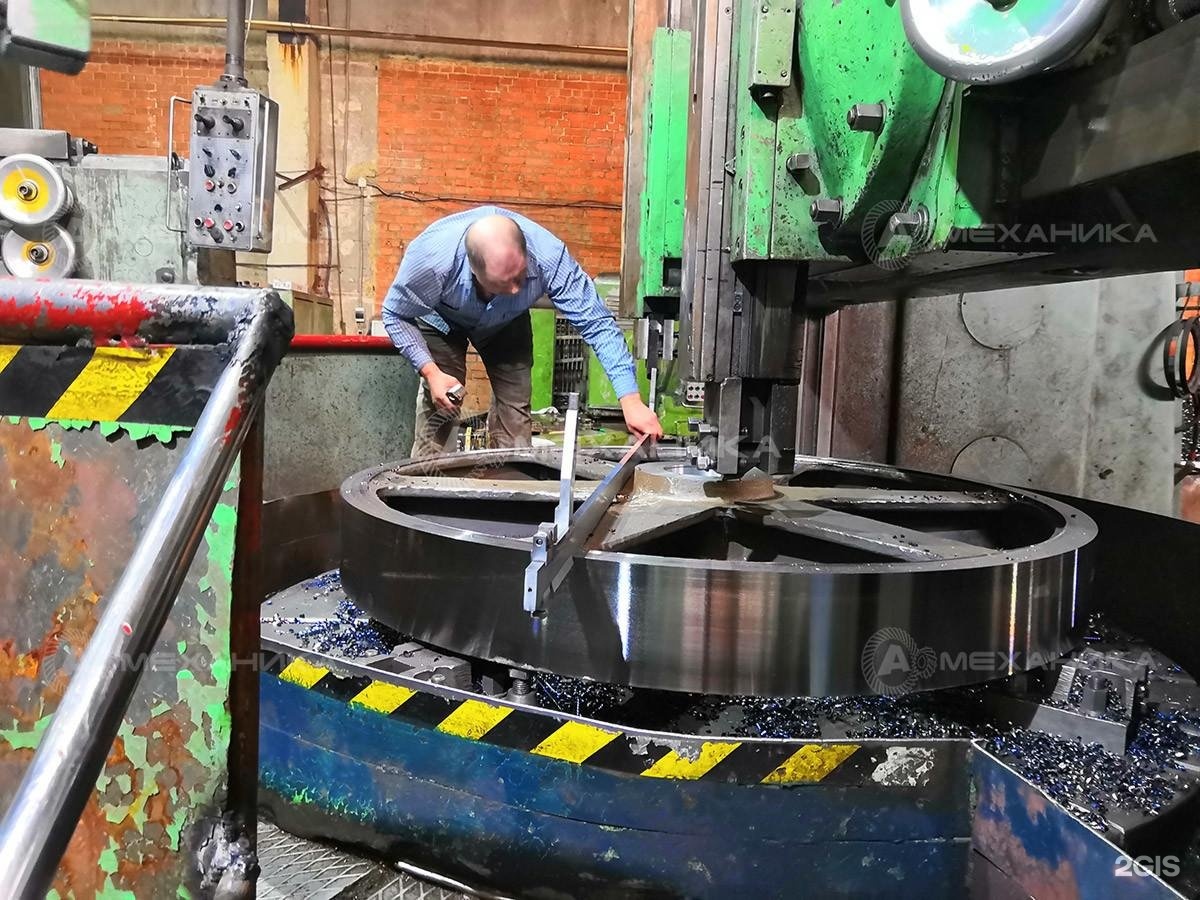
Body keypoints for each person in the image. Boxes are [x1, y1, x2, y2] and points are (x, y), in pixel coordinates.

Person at [382, 205, 663, 456]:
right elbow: (394, 314)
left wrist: (631, 400)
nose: (517, 290)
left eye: (520, 276)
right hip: (441, 321)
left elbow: (597, 323)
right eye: (504, 283)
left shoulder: (549, 257)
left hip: (507, 321)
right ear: (473, 270)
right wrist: (431, 373)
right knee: (442, 410)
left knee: (515, 417)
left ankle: (509, 483)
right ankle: (425, 486)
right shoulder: (431, 260)